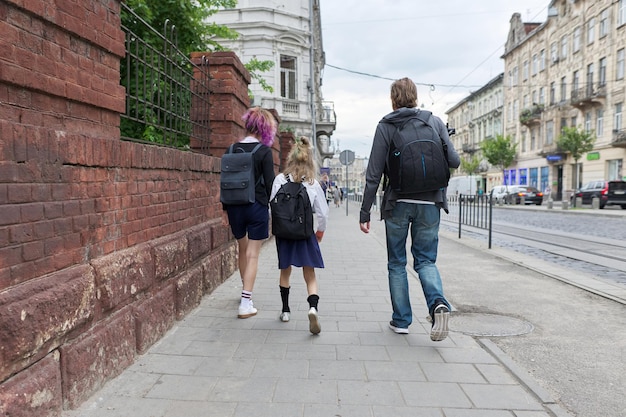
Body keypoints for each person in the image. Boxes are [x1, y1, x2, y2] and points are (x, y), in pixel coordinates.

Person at [358, 77, 460, 341]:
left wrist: (365, 212)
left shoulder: (386, 126)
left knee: (397, 263)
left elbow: (373, 173)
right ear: (415, 97)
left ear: (393, 99)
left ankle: (402, 320)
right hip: (430, 203)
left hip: (398, 203)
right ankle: (438, 304)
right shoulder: (434, 121)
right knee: (425, 260)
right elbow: (454, 161)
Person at [270, 137, 329, 334]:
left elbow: (272, 207)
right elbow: (323, 212)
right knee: (309, 274)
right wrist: (320, 231)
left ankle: (285, 311)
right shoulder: (312, 183)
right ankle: (312, 308)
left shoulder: (280, 179)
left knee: (285, 271)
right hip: (305, 234)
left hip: (285, 234)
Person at [222, 107, 277, 319]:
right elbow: (271, 184)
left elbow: (225, 182)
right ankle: (246, 302)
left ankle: (245, 293)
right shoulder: (264, 152)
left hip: (234, 206)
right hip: (256, 206)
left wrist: (225, 209)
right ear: (265, 128)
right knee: (253, 253)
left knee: (242, 249)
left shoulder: (230, 149)